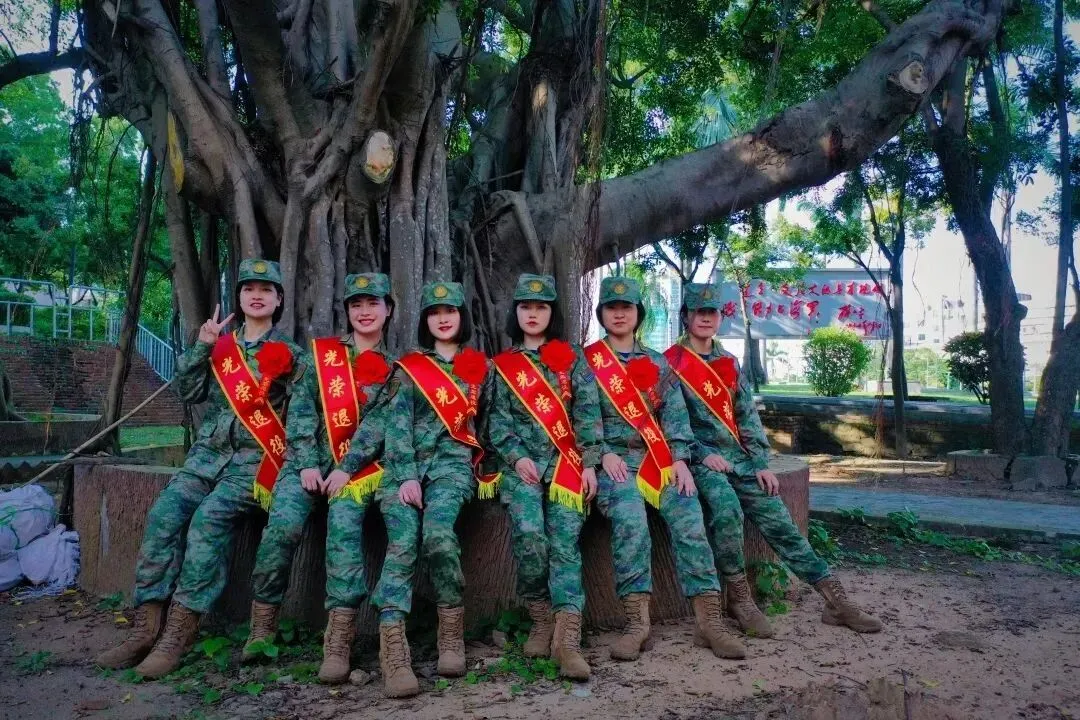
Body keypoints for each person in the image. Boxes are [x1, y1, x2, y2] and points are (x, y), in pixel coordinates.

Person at [96, 259, 306, 678]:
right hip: (206, 457)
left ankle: (179, 632)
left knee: (208, 521)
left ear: (279, 299)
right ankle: (146, 626)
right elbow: (189, 392)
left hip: (252, 463)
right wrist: (203, 346)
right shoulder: (221, 347)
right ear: (239, 298)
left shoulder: (293, 356)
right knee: (164, 515)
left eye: (266, 289)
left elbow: (301, 418)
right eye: (249, 289)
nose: (257, 295)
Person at [664, 283, 882, 636]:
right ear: (686, 317)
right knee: (726, 511)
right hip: (700, 460)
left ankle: (835, 600)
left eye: (712, 312)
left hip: (740, 459)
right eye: (698, 312)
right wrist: (702, 455)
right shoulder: (670, 363)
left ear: (720, 317)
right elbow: (671, 422)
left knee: (778, 519)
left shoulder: (729, 362)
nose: (705, 318)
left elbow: (746, 416)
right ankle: (739, 599)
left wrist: (760, 462)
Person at [243, 273, 413, 692]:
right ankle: (261, 627)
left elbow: (379, 427)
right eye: (356, 304)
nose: (365, 311)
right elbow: (301, 410)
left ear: (388, 309)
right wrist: (304, 463)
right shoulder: (322, 358)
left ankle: (339, 638)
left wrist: (347, 466)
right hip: (308, 464)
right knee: (281, 527)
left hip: (362, 469)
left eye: (372, 303)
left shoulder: (398, 370)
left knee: (344, 525)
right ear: (347, 311)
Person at [585, 276, 744, 662]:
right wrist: (601, 453)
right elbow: (582, 416)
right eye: (611, 307)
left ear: (638, 313)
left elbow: (674, 417)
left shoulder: (658, 363)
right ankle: (636, 624)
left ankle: (709, 622)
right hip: (615, 465)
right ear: (602, 314)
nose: (619, 313)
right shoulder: (589, 362)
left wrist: (679, 460)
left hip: (657, 461)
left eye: (627, 307)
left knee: (689, 513)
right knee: (630, 520)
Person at [485, 274, 602, 681]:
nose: (533, 314)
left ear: (553, 314)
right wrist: (516, 457)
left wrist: (589, 463)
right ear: (515, 313)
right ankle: (541, 618)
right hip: (522, 469)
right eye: (525, 307)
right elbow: (497, 423)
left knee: (565, 543)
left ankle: (567, 640)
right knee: (531, 536)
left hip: (567, 465)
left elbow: (587, 413)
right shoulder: (502, 366)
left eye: (541, 307)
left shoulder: (572, 359)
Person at [380, 281, 497, 680]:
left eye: (450, 311)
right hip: (402, 471)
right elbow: (397, 428)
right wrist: (406, 477)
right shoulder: (410, 368)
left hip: (453, 469)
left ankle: (450, 636)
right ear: (425, 320)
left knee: (439, 536)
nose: (443, 319)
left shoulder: (483, 368)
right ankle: (393, 651)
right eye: (434, 312)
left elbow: (489, 425)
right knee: (401, 544)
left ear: (462, 317)